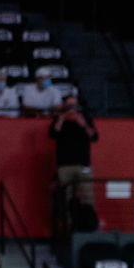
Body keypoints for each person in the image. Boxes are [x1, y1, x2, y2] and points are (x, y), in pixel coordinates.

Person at [48, 94, 98, 234]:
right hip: (65, 165)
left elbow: (94, 136)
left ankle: (91, 225)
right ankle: (70, 229)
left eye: (74, 105)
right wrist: (63, 117)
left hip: (83, 165)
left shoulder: (85, 119)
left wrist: (82, 123)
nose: (72, 108)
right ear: (64, 106)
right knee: (67, 198)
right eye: (69, 105)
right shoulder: (60, 119)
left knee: (88, 196)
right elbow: (53, 134)